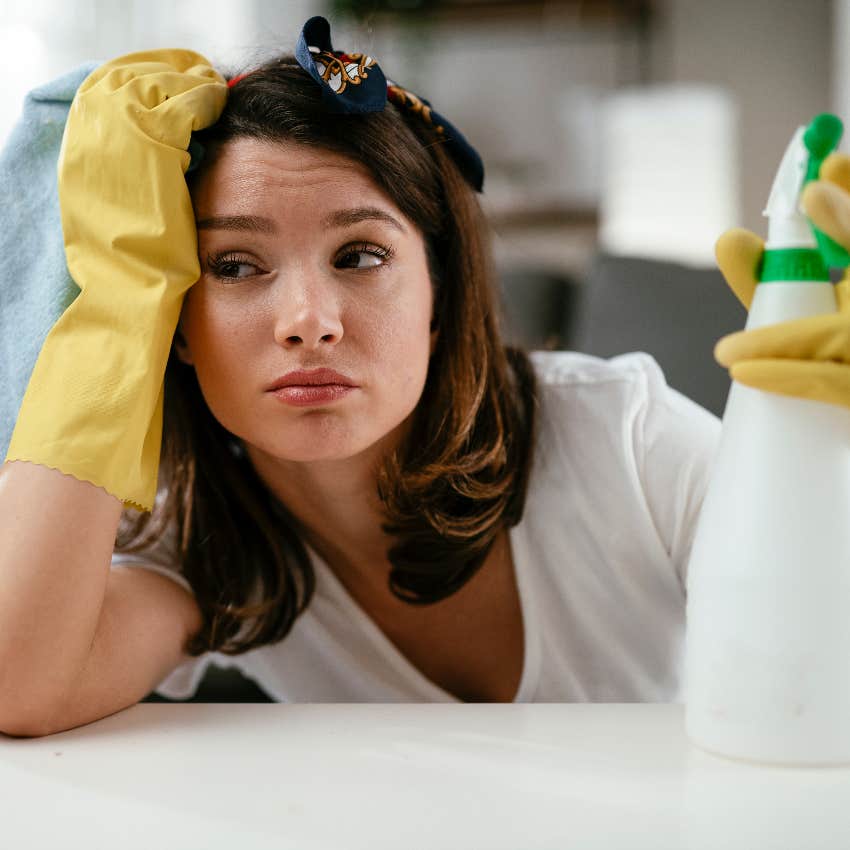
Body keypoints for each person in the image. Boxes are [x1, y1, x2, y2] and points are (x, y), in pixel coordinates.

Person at [2, 18, 850, 735]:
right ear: (175, 321)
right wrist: (112, 301)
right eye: (233, 265)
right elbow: (20, 680)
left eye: (360, 254)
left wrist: (821, 453)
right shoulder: (202, 539)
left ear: (439, 289)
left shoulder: (622, 435)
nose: (309, 319)